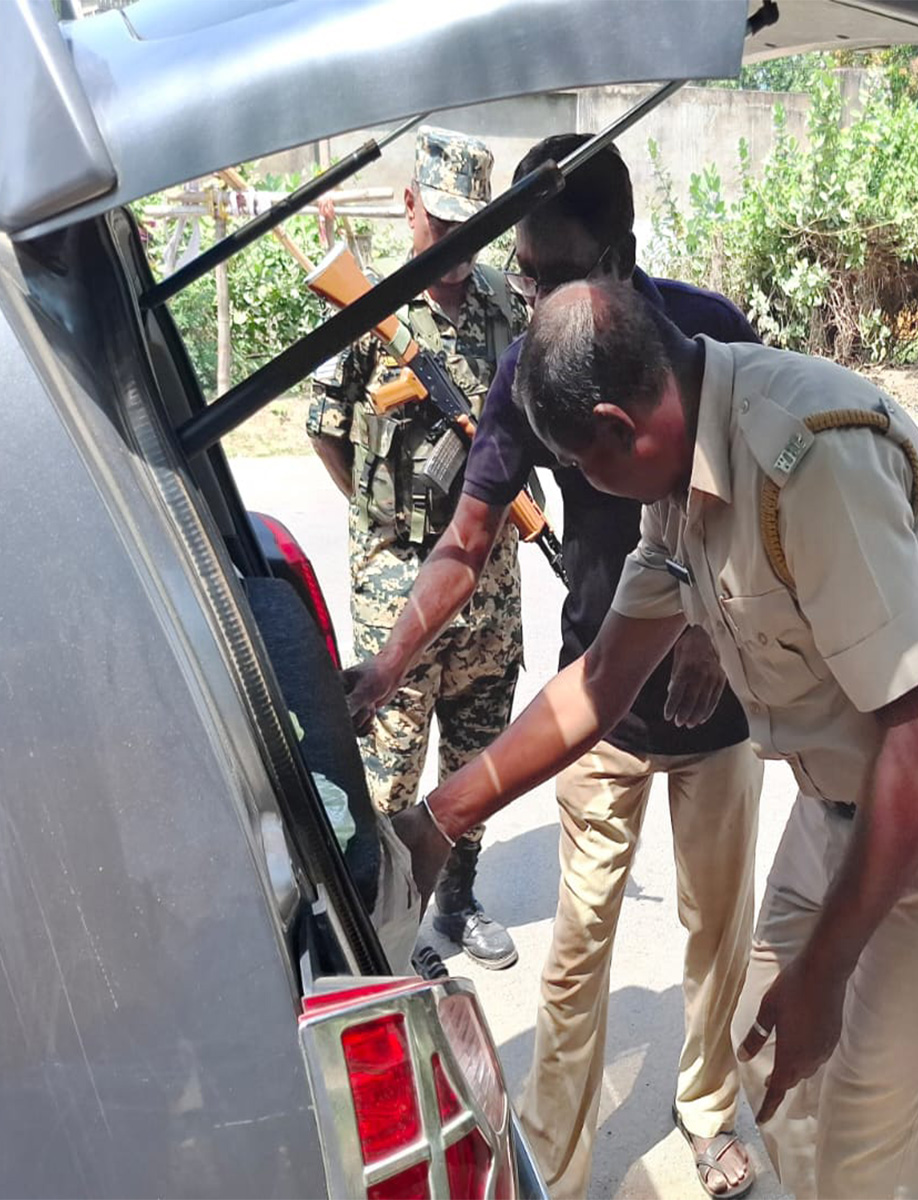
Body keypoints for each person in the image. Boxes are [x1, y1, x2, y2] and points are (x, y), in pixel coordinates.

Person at [390, 277, 918, 1199]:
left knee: (868, 1150)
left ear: (619, 425)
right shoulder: (680, 476)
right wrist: (440, 816)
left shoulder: (810, 463)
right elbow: (601, 680)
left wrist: (826, 973)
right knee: (759, 1044)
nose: (586, 488)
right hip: (842, 811)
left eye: (583, 466)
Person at [341, 136, 764, 1199]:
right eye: (523, 272)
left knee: (719, 928)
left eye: (552, 271)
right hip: (595, 710)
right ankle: (555, 1166)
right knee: (577, 951)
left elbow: (770, 510)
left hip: (720, 716)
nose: (529, 294)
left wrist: (714, 632)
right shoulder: (529, 364)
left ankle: (711, 1107)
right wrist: (389, 663)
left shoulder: (710, 334)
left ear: (619, 254)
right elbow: (465, 538)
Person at [307, 128, 524, 970]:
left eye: (474, 228)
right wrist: (383, 526)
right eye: (445, 224)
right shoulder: (368, 306)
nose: (460, 248)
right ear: (410, 205)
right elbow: (328, 434)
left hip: (492, 586)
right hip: (399, 585)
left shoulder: (509, 305)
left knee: (477, 761)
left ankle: (457, 903)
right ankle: (392, 931)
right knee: (388, 776)